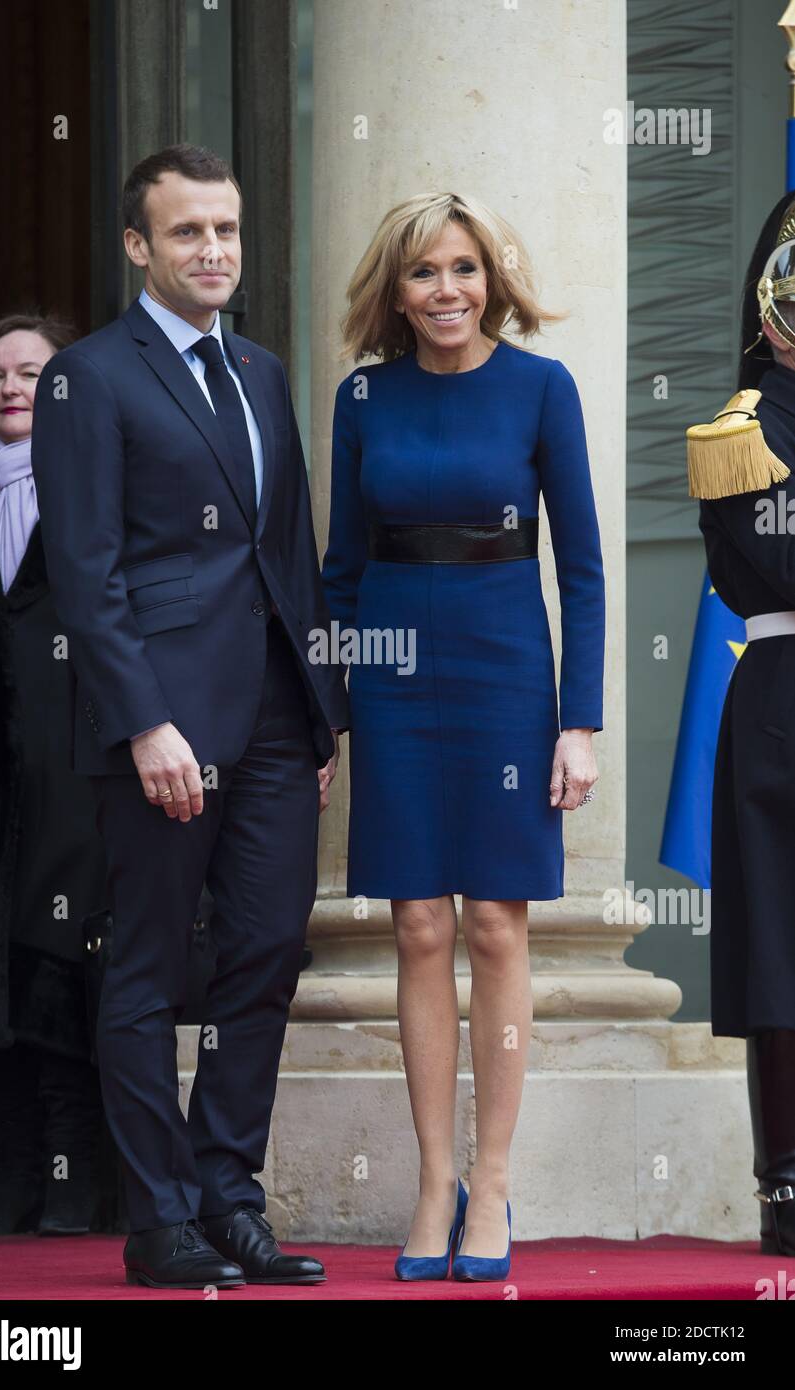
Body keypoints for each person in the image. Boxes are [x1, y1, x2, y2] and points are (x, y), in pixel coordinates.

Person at [30, 143, 349, 1289]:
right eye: (186, 233)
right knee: (151, 969)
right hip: (162, 721)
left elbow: (292, 560)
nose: (212, 250)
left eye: (225, 230)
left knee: (265, 954)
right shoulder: (87, 376)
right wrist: (143, 723)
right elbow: (85, 568)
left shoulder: (262, 370)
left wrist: (321, 715)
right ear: (137, 246)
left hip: (273, 717)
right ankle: (160, 1218)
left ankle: (229, 1203)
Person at [321, 192, 605, 1281]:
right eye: (424, 273)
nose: (447, 291)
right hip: (393, 671)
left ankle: (492, 1181)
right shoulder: (361, 396)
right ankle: (433, 1178)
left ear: (493, 278)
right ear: (393, 291)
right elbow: (341, 571)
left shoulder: (541, 388)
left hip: (503, 668)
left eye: (464, 269)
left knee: (494, 921)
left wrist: (577, 720)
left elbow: (578, 569)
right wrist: (328, 713)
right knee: (418, 928)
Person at [0, 313, 109, 1236]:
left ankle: (76, 1179)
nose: (10, 388)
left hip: (72, 762)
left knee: (62, 961)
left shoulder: (98, 487)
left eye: (33, 374)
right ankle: (12, 1174)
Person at [690, 189, 795, 1258]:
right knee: (780, 948)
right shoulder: (744, 429)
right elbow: (769, 565)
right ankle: (788, 1184)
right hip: (782, 694)